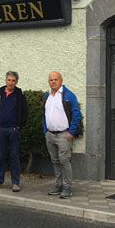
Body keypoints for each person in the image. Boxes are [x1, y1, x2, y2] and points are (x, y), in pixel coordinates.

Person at [42, 71, 81, 199]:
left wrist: (71, 132)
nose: (53, 82)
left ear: (61, 81)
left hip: (64, 134)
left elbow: (76, 114)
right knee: (55, 161)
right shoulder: (46, 96)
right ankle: (58, 185)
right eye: (51, 80)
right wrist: (45, 131)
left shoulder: (68, 95)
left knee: (64, 161)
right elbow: (44, 114)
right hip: (50, 135)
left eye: (55, 79)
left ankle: (67, 187)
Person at [0, 71, 28, 192]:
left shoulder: (19, 94)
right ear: (5, 80)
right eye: (9, 80)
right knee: (1, 155)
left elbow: (25, 112)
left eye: (13, 81)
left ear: (16, 82)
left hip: (13, 130)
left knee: (14, 156)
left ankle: (15, 183)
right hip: (1, 130)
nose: (11, 83)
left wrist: (19, 126)